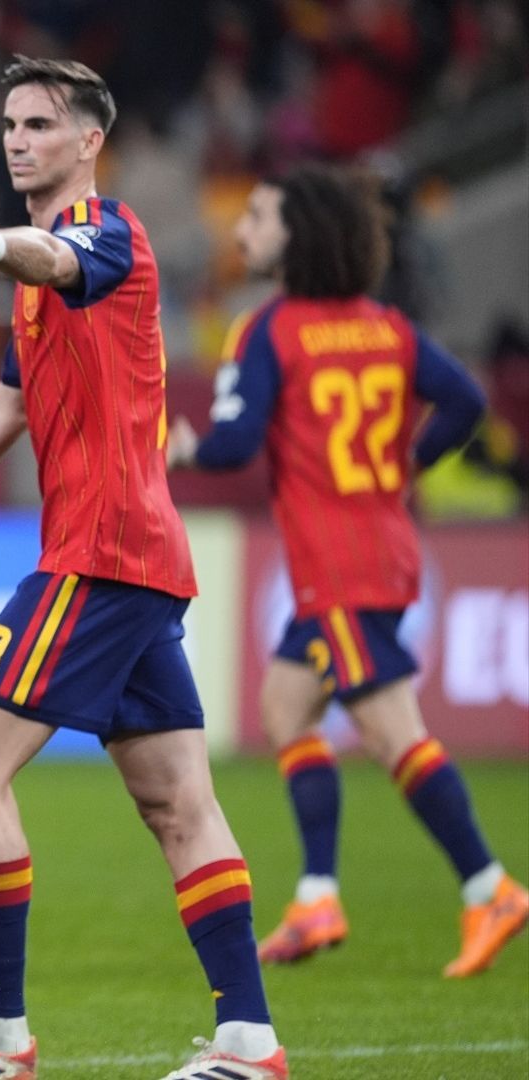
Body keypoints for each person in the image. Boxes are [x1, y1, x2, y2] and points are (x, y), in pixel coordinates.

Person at [0, 59, 288, 1080]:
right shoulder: (43, 282)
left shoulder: (108, 239)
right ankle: (250, 1043)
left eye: (40, 124)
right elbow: (10, 402)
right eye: (8, 123)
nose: (17, 139)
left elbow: (49, 256)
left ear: (89, 140)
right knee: (177, 800)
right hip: (131, 557)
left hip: (103, 554)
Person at [168, 164, 524, 976]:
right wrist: (406, 464)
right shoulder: (385, 326)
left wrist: (182, 447)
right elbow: (466, 400)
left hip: (338, 567)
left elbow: (232, 446)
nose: (244, 228)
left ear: (297, 235)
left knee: (392, 732)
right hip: (379, 547)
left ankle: (489, 885)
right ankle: (318, 897)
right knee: (287, 708)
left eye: (257, 216)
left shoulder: (269, 329)